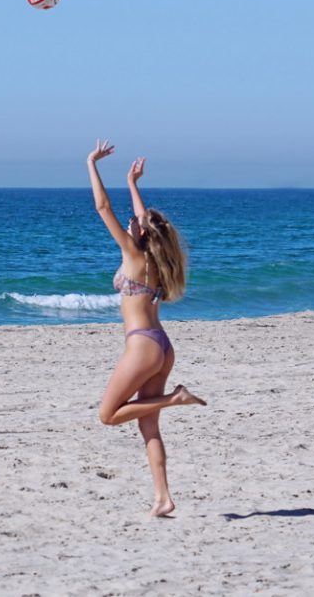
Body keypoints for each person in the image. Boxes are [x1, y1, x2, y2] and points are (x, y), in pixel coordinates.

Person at [86, 139, 207, 517]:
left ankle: (175, 398)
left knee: (108, 415)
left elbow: (102, 207)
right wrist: (133, 183)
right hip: (162, 347)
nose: (129, 222)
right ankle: (163, 497)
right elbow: (145, 221)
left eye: (134, 222)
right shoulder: (157, 258)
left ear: (139, 233)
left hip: (142, 347)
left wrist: (91, 163)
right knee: (148, 425)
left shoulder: (134, 254)